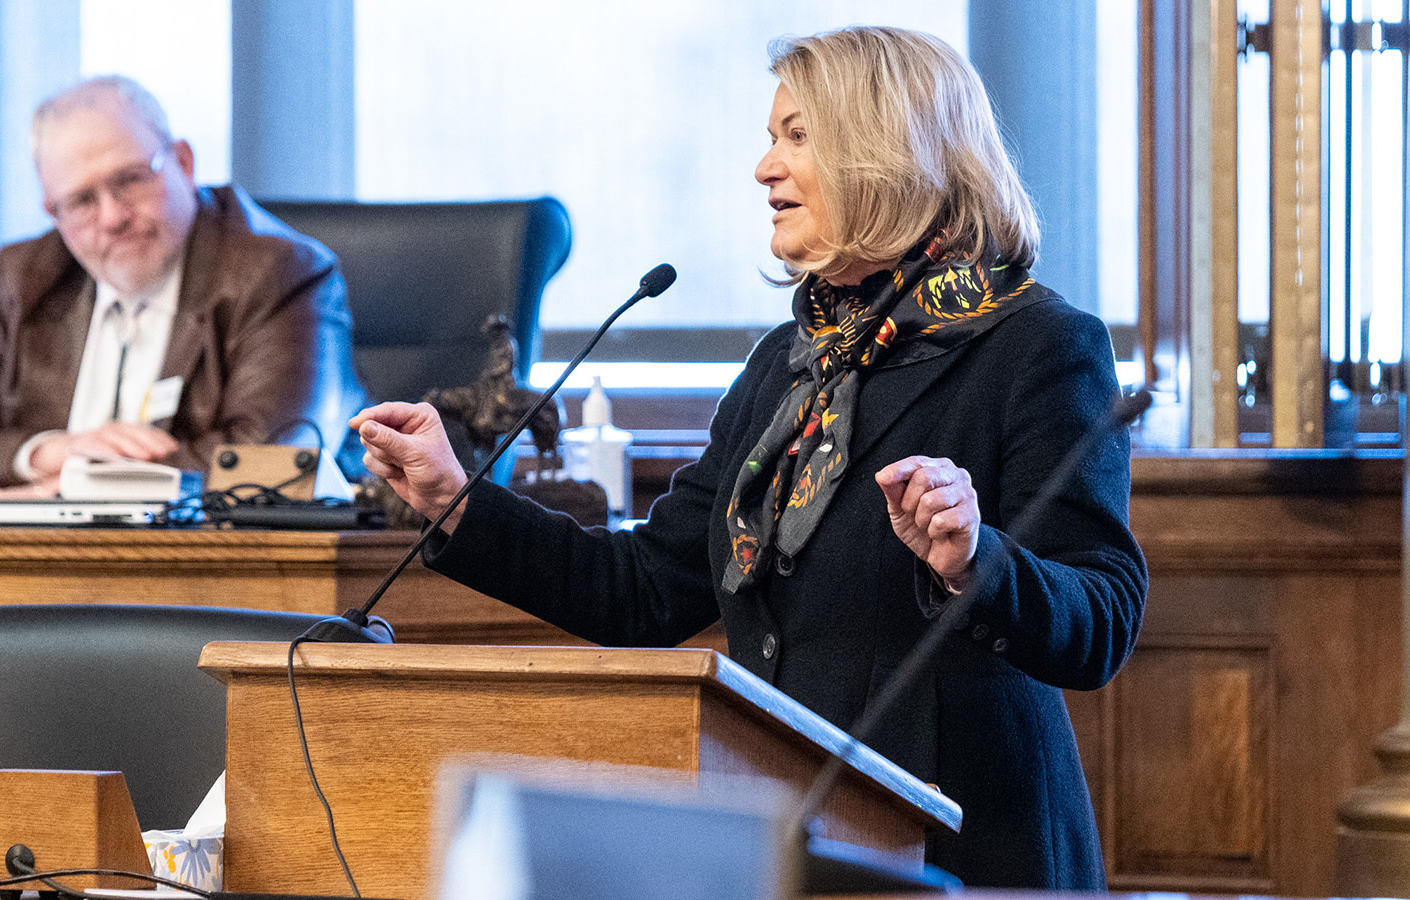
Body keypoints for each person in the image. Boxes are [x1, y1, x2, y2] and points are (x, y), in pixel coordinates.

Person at [349, 26, 1146, 890]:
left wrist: (974, 558)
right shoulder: (786, 367)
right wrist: (457, 499)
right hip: (788, 841)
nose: (765, 168)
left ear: (886, 151)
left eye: (797, 136)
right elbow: (645, 590)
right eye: (772, 138)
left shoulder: (1039, 347)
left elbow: (1101, 618)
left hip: (966, 858)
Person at [0, 76, 368, 491]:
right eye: (82, 200)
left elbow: (277, 462)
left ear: (183, 163)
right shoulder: (30, 278)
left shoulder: (280, 272)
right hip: (37, 560)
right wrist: (46, 453)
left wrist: (82, 479)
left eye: (131, 180)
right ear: (53, 212)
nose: (112, 217)